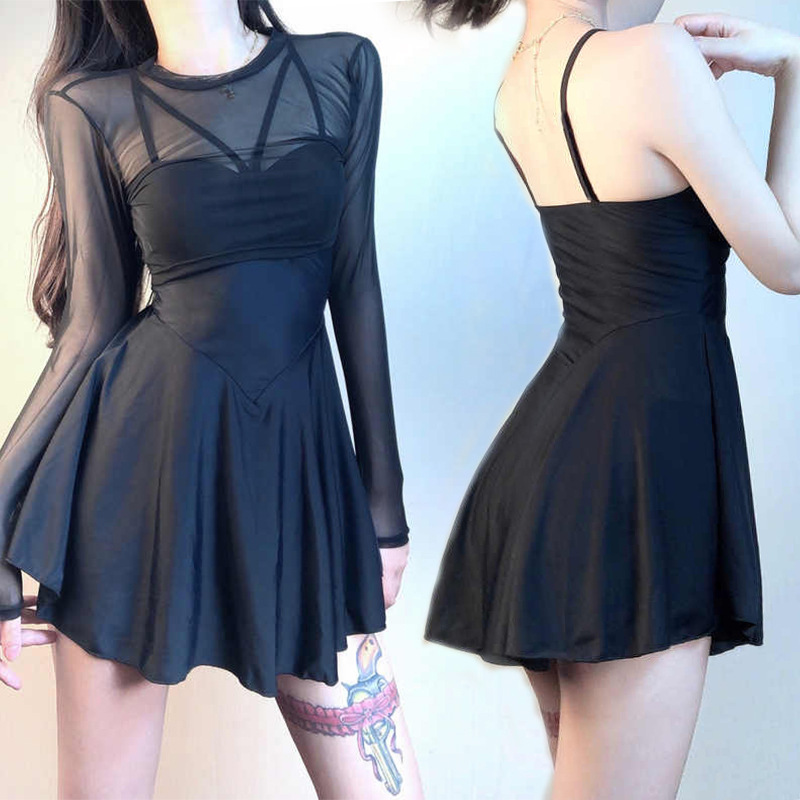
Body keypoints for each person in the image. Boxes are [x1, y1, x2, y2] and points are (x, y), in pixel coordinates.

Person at [0, 1, 424, 798]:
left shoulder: (342, 67)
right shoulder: (90, 105)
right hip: (136, 485)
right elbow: (91, 324)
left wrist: (384, 508)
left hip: (301, 482)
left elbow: (355, 278)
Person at [421, 0, 800, 797]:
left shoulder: (520, 81)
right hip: (639, 476)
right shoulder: (651, 60)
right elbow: (789, 260)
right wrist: (796, 71)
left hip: (558, 465)